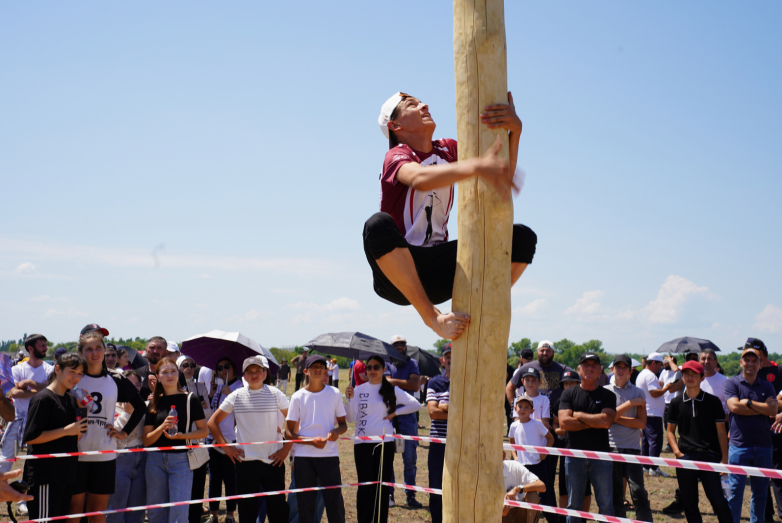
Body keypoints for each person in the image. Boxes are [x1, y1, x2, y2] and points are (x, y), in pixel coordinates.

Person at [364, 91, 537, 341]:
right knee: (376, 225)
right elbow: (419, 179)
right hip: (398, 276)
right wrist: (476, 166)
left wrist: (515, 132)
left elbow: (500, 176)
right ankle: (433, 319)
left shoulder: (448, 149)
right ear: (395, 125)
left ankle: (482, 308)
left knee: (521, 238)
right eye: (412, 105)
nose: (424, 105)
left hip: (439, 267)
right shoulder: (396, 155)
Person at [70, 329, 147, 523]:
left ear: (104, 350)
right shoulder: (73, 378)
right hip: (76, 454)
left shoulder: (116, 379)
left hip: (105, 455)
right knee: (74, 511)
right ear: (81, 353)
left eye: (98, 348)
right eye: (88, 349)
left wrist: (124, 432)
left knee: (97, 512)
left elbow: (140, 407)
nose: (94, 353)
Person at [209, 356, 291, 523]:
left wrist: (285, 449)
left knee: (278, 511)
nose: (254, 375)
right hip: (246, 463)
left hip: (274, 462)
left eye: (258, 371)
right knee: (247, 513)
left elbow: (293, 422)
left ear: (264, 372)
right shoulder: (236, 396)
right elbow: (212, 423)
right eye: (250, 372)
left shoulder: (276, 394)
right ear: (244, 376)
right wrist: (227, 448)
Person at [345, 355, 421, 523]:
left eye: (376, 367)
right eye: (369, 367)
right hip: (362, 444)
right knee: (365, 487)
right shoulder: (357, 390)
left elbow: (416, 404)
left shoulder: (391, 389)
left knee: (382, 486)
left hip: (384, 443)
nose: (372, 370)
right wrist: (349, 399)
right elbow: (350, 418)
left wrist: (396, 412)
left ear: (383, 369)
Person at [23, 353, 88, 520]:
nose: (76, 377)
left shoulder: (71, 399)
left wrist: (82, 411)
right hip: (45, 475)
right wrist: (67, 430)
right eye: (72, 371)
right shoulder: (43, 398)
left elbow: (76, 436)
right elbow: (31, 437)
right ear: (58, 369)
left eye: (80, 373)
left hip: (66, 472)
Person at [665, 360, 732, 523]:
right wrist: (677, 453)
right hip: (686, 457)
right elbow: (669, 431)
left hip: (710, 457)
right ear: (682, 376)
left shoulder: (713, 402)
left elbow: (721, 431)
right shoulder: (675, 402)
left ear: (702, 378)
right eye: (686, 374)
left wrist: (724, 459)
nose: (690, 377)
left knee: (719, 502)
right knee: (689, 504)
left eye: (694, 374)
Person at [143, 356, 207, 523]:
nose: (170, 375)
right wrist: (162, 426)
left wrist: (182, 436)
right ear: (157, 376)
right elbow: (147, 440)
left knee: (179, 512)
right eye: (165, 372)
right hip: (155, 460)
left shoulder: (189, 398)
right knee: (156, 512)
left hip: (182, 459)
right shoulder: (154, 402)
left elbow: (203, 431)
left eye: (173, 371)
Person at [286, 355, 348, 523]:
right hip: (303, 458)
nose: (319, 369)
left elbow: (343, 425)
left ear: (326, 370)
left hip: (329, 456)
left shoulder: (334, 393)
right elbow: (288, 433)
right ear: (306, 371)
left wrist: (336, 431)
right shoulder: (297, 396)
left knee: (335, 503)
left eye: (322, 366)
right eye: (314, 366)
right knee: (305, 505)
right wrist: (310, 441)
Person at [558, 352, 617, 523]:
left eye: (594, 365)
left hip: (601, 457)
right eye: (585, 364)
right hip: (574, 457)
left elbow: (606, 422)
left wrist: (578, 415)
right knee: (574, 507)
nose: (589, 368)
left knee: (606, 506)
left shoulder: (608, 395)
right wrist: (594, 421)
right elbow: (564, 423)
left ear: (600, 370)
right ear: (579, 369)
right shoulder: (568, 394)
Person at [2, 331, 54, 520]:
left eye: (46, 346)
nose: (45, 349)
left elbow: (51, 390)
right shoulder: (17, 369)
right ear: (30, 348)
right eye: (42, 346)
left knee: (32, 462)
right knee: (6, 459)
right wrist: (39, 390)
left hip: (39, 421)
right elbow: (13, 393)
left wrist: (31, 384)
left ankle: (24, 501)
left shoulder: (49, 369)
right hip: (16, 419)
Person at [725, 347, 777, 523]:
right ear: (741, 363)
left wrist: (747, 402)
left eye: (755, 360)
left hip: (764, 446)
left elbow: (773, 409)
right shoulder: (732, 383)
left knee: (760, 494)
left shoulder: (767, 385)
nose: (750, 364)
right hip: (739, 446)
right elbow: (734, 408)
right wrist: (762, 408)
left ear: (760, 364)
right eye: (746, 360)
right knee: (735, 492)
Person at [603, 355, 652, 522]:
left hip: (632, 447)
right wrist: (630, 404)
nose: (621, 370)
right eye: (618, 367)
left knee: (638, 491)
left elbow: (642, 423)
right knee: (616, 493)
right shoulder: (605, 391)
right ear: (612, 369)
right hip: (611, 446)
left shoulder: (639, 392)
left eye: (625, 367)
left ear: (630, 371)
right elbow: (605, 419)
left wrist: (614, 417)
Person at [383, 335, 423, 508]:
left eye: (403, 344)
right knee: (388, 457)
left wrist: (393, 382)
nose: (400, 346)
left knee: (410, 458)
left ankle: (410, 495)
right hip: (388, 414)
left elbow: (415, 385)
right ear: (391, 347)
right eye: (396, 344)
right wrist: (402, 383)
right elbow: (384, 385)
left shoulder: (412, 363)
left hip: (408, 416)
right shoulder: (385, 363)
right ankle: (390, 494)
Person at [107, 370, 148, 523]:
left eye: (136, 384)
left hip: (142, 457)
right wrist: (126, 414)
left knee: (137, 509)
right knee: (116, 508)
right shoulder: (111, 405)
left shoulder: (146, 405)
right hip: (119, 458)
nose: (133, 388)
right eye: (128, 384)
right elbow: (113, 435)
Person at [508, 395, 555, 523]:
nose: (523, 410)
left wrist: (544, 454)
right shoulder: (513, 426)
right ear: (516, 409)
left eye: (527, 407)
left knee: (545, 496)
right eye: (520, 407)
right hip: (522, 467)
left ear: (532, 411)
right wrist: (515, 456)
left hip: (538, 465)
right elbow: (511, 442)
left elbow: (550, 438)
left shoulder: (537, 424)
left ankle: (554, 520)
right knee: (523, 496)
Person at [552, 371, 592, 520]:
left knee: (586, 488)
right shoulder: (559, 402)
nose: (568, 386)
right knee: (564, 486)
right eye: (566, 383)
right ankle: (564, 519)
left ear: (578, 383)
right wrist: (563, 430)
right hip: (566, 450)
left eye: (572, 383)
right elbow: (556, 424)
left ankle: (583, 519)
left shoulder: (585, 400)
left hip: (584, 449)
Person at [178, 356, 211, 523]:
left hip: (198, 444)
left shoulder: (200, 388)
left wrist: (201, 411)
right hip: (180, 445)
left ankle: (195, 518)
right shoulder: (175, 389)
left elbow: (208, 415)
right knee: (182, 488)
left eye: (192, 365)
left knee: (198, 486)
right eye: (185, 365)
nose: (189, 368)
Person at [635, 353, 673, 477]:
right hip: (653, 413)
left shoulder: (642, 374)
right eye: (659, 364)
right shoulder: (651, 375)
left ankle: (645, 465)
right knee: (655, 441)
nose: (660, 367)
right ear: (653, 363)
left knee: (646, 440)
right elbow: (654, 393)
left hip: (647, 412)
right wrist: (666, 388)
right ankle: (654, 467)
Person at [507, 341, 572, 408]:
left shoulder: (563, 369)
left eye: (548, 351)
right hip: (532, 415)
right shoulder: (527, 368)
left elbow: (578, 383)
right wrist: (515, 408)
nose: (545, 353)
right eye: (542, 350)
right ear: (537, 352)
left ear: (553, 353)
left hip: (556, 415)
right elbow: (510, 387)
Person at [427, 344, 451, 523]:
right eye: (447, 356)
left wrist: (443, 405)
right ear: (442, 360)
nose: (451, 359)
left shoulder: (467, 381)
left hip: (460, 443)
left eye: (455, 355)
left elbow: (469, 412)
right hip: (438, 443)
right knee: (436, 487)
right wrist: (453, 409)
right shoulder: (435, 382)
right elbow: (433, 413)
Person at [502, 454, 547, 523]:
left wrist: (517, 489)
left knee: (533, 495)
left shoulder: (514, 466)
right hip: (498, 515)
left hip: (520, 511)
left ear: (504, 455)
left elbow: (541, 486)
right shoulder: (483, 473)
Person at [660, 355, 683, 453]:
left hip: (677, 402)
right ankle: (669, 445)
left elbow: (677, 370)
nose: (664, 364)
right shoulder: (663, 372)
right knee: (668, 425)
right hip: (666, 403)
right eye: (664, 362)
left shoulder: (679, 370)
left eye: (667, 362)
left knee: (681, 425)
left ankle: (681, 444)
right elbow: (660, 383)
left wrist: (670, 361)